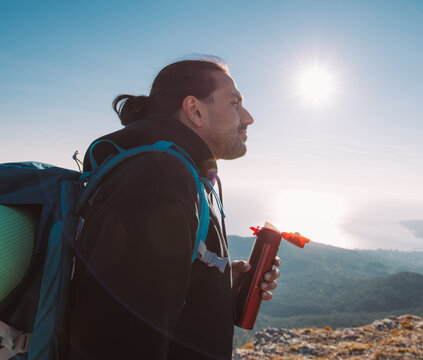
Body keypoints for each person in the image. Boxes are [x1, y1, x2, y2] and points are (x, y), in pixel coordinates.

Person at [65, 58, 280, 360]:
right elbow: (119, 342)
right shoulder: (159, 179)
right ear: (195, 109)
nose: (248, 117)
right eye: (235, 103)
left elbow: (152, 302)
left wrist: (221, 284)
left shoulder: (177, 172)